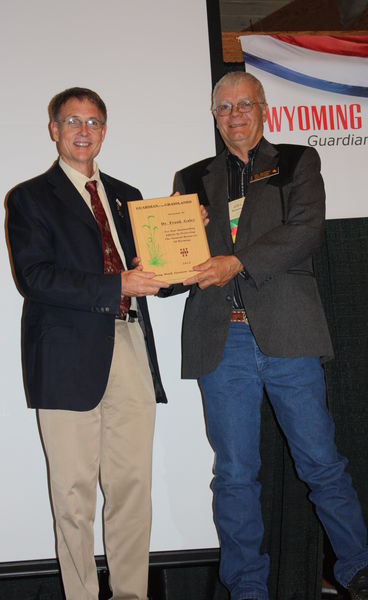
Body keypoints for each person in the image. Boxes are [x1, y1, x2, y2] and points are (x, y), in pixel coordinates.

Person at [171, 71, 368, 600]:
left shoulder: (298, 162)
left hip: (288, 333)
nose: (234, 116)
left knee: (321, 462)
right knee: (234, 475)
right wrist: (167, 254)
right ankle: (247, 590)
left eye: (244, 105)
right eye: (223, 108)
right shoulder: (190, 179)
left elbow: (305, 229)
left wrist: (234, 260)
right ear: (214, 116)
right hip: (221, 340)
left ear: (264, 109)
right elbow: (180, 264)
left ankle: (357, 569)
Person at [6, 87, 169, 600]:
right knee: (72, 496)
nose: (83, 130)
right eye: (72, 121)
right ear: (53, 129)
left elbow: (156, 277)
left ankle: (131, 595)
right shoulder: (31, 197)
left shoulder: (128, 194)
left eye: (94, 121)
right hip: (65, 357)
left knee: (132, 490)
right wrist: (117, 285)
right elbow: (35, 277)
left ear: (104, 131)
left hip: (130, 346)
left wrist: (186, 248)